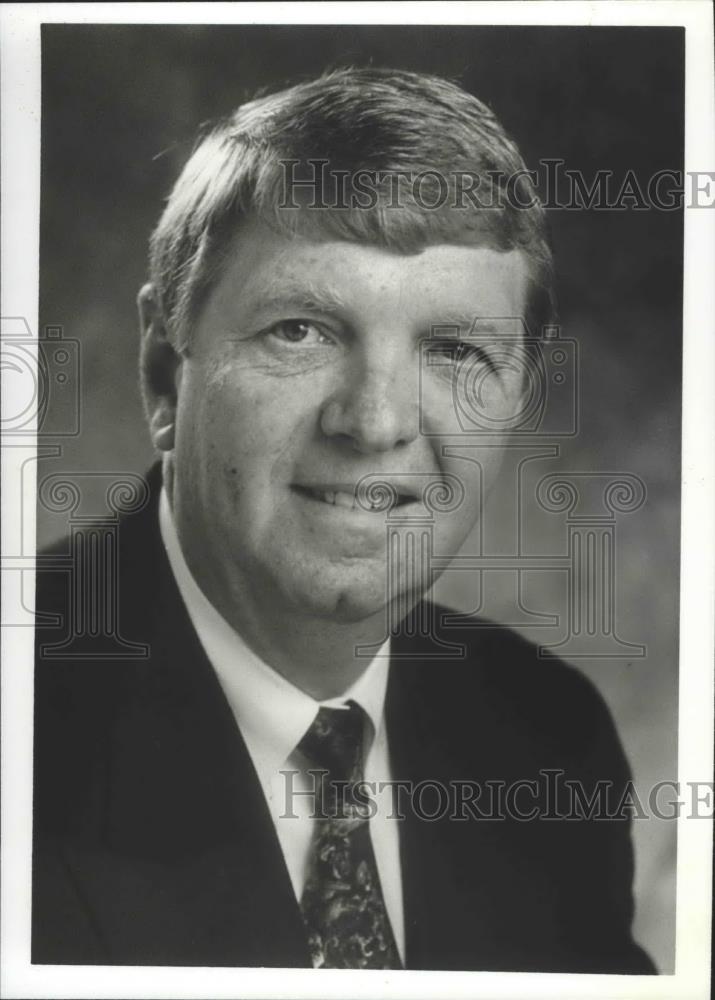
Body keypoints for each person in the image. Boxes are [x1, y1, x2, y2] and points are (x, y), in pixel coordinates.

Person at [32, 67, 655, 973]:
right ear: (167, 372)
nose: (373, 423)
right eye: (301, 331)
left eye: (453, 350)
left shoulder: (546, 738)